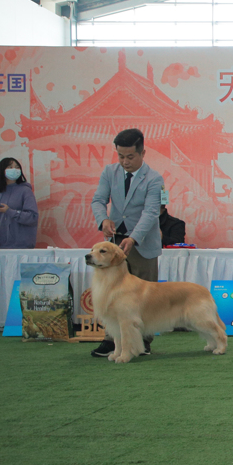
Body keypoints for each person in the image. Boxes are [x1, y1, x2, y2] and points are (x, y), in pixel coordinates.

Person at [90, 128, 164, 358]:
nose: (125, 161)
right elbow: (98, 200)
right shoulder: (109, 172)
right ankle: (111, 340)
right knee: (112, 294)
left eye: (130, 156)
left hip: (142, 243)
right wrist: (103, 219)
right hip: (114, 244)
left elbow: (152, 212)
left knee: (145, 297)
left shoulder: (154, 179)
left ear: (143, 153)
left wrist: (133, 238)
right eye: (120, 156)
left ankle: (144, 340)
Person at [0, 157, 38, 249]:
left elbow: (32, 217)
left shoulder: (26, 191)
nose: (14, 169)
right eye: (10, 167)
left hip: (22, 247)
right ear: (2, 170)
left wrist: (9, 211)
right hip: (0, 247)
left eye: (17, 167)